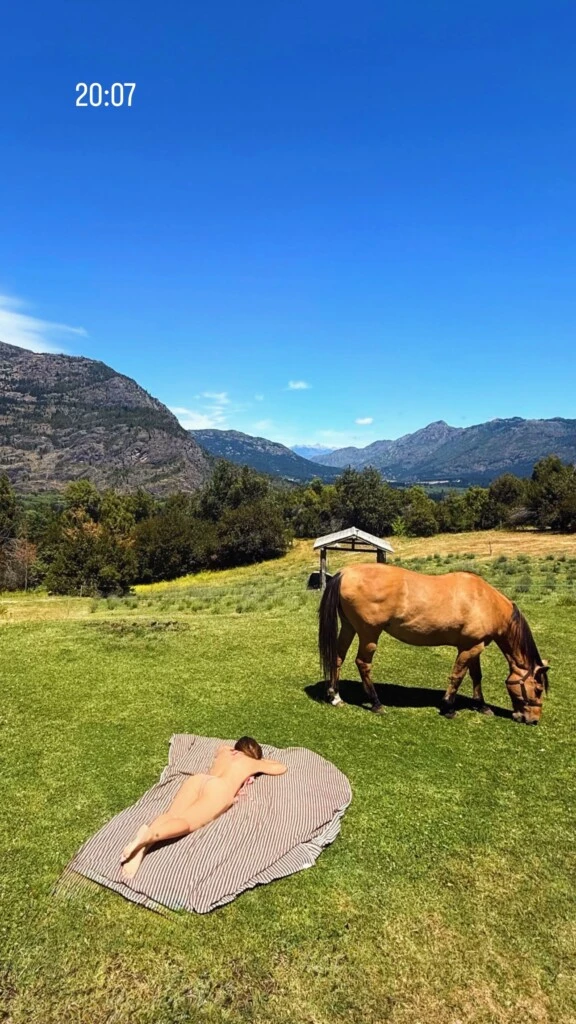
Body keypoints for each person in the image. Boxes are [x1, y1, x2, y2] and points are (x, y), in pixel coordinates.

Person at [120, 736, 287, 878]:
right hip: (219, 789)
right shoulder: (252, 762)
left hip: (199, 779)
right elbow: (280, 768)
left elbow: (221, 746)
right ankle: (148, 836)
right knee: (186, 823)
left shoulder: (226, 752)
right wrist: (261, 762)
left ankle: (142, 847)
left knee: (172, 814)